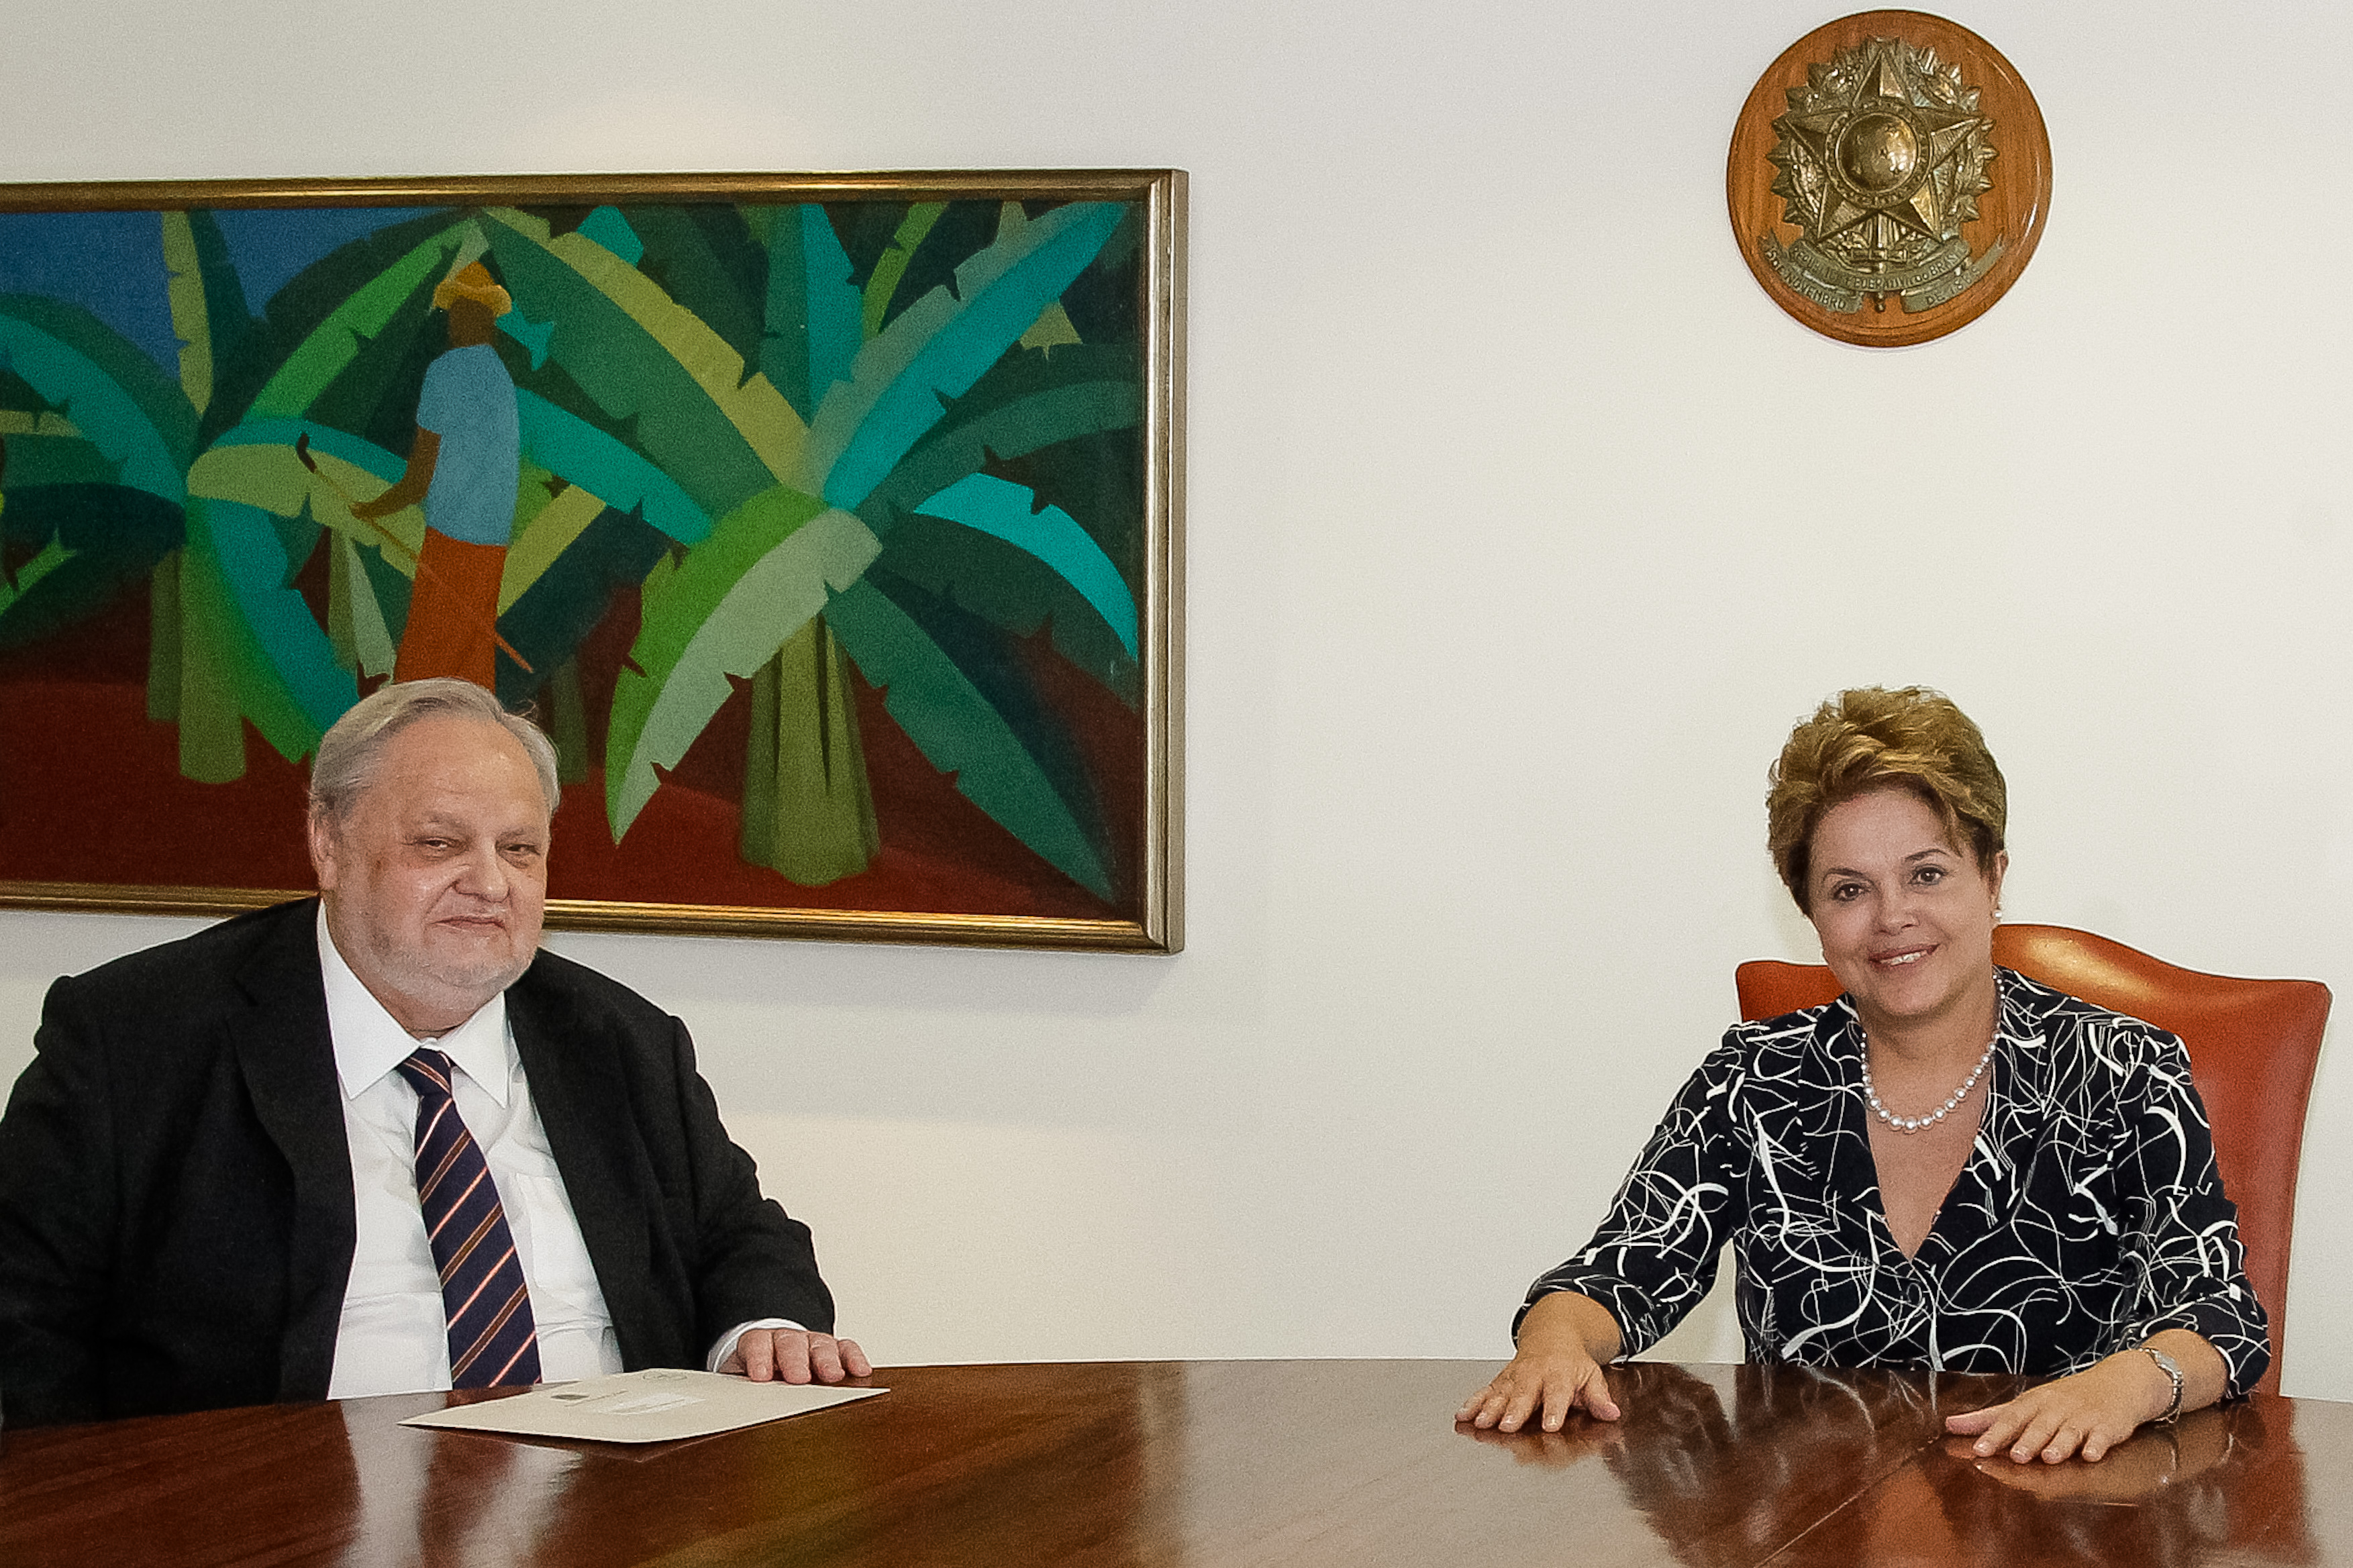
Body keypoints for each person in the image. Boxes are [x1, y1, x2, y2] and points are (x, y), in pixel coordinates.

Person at [0, 678, 869, 1425]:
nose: (489, 883)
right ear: (329, 843)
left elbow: (741, 1233)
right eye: (440, 843)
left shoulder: (620, 1042)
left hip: (615, 1515)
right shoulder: (137, 1039)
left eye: (519, 850)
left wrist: (760, 1329)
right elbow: (24, 1323)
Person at [1458, 686, 2268, 1465]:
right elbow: (1617, 1271)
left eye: (1926, 874)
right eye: (1849, 890)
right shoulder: (1751, 1081)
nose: (1891, 918)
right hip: (1809, 1526)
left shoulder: (2121, 1070)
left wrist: (2125, 1385)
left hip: (2059, 1516)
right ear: (1812, 916)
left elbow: (2219, 1316)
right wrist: (1554, 1346)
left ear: (1991, 879)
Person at [353, 260, 522, 690]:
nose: (450, 322)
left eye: (456, 312)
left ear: (469, 315)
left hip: (452, 542)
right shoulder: (502, 379)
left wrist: (369, 510)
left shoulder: (445, 373)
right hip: (493, 547)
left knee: (422, 673)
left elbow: (417, 482)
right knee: (470, 672)